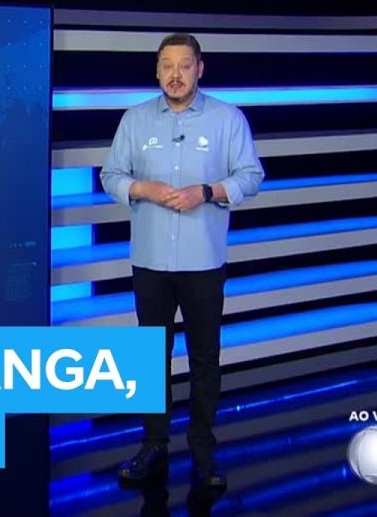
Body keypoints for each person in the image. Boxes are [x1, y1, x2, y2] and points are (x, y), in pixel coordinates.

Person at [99, 33, 265, 487]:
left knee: (204, 358)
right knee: (151, 357)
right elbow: (110, 175)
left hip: (203, 262)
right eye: (167, 66)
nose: (175, 75)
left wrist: (206, 192)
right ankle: (153, 442)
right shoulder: (135, 120)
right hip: (150, 261)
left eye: (184, 66)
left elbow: (251, 176)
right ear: (157, 70)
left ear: (199, 69)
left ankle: (202, 448)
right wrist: (141, 188)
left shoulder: (227, 119)